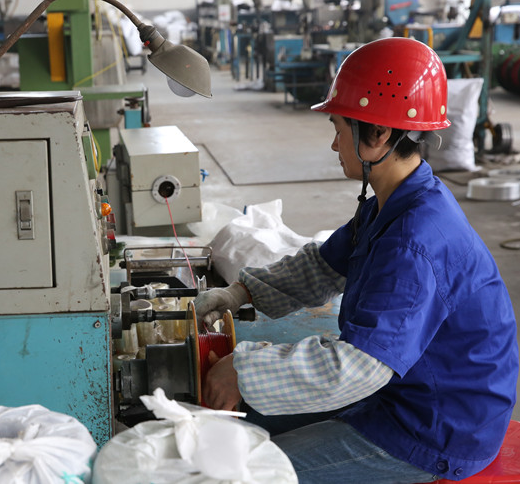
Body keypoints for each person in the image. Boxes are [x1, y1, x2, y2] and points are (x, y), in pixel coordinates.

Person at [194, 37, 518, 484]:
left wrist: (244, 372)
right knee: (235, 426)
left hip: (434, 428)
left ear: (378, 134)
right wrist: (237, 293)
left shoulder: (414, 241)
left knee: (245, 472)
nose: (334, 145)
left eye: (339, 128)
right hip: (404, 392)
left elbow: (360, 367)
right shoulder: (397, 202)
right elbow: (321, 265)